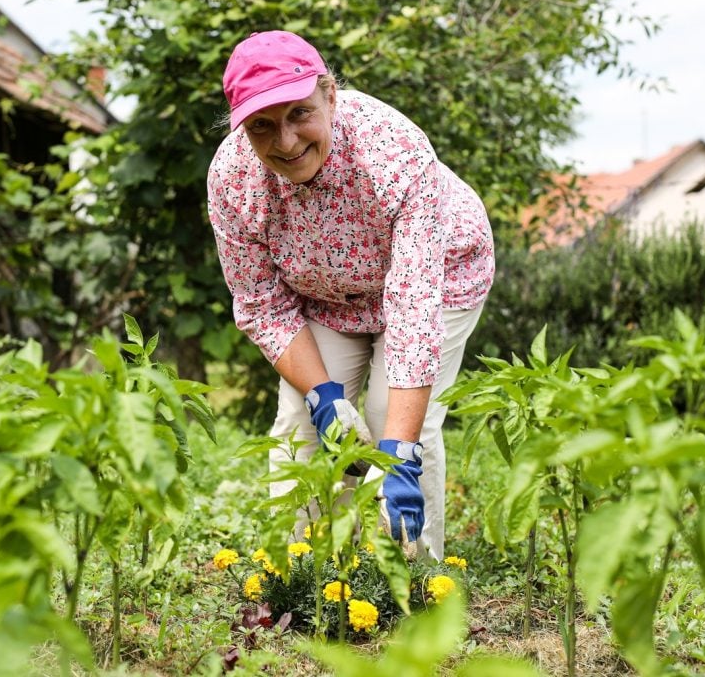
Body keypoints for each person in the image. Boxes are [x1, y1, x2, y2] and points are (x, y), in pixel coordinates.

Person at [206, 30, 494, 561]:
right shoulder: (232, 178)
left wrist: (399, 451)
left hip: (438, 276)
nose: (286, 142)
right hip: (327, 296)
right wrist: (324, 396)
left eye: (299, 115)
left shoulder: (395, 152)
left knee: (397, 420)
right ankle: (309, 573)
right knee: (302, 423)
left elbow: (411, 312)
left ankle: (417, 579)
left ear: (330, 96)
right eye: (263, 126)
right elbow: (261, 302)